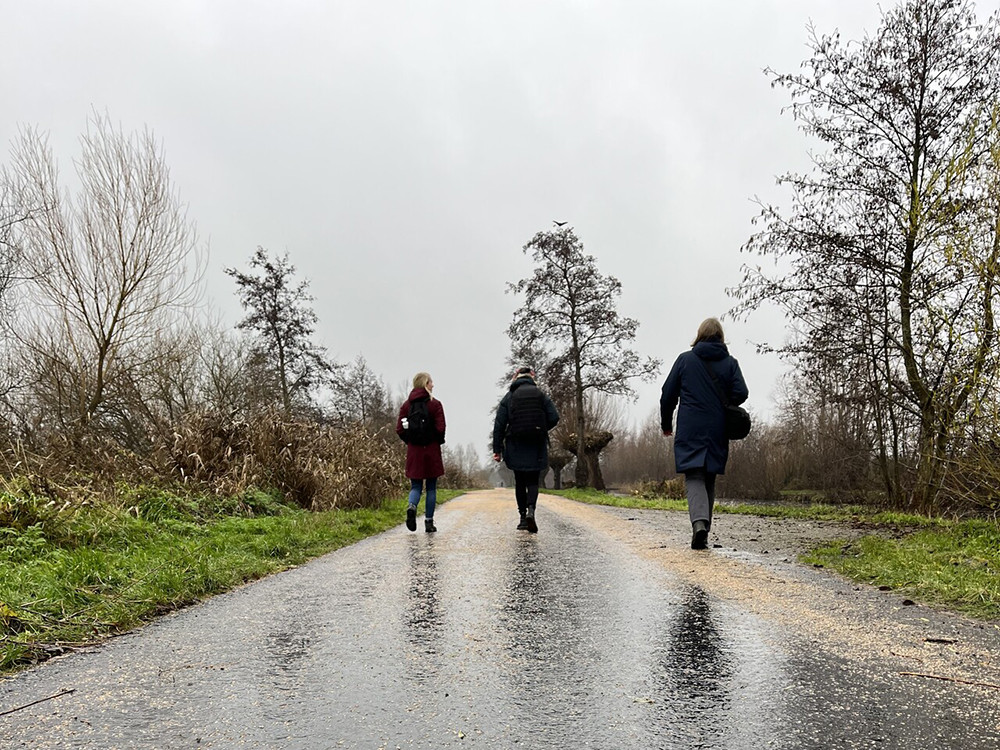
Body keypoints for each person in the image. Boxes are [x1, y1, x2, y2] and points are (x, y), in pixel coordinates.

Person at [660, 318, 749, 550]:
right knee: (708, 476)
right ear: (721, 337)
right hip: (717, 428)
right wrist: (723, 402)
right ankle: (704, 531)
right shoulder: (730, 363)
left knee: (694, 475)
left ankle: (699, 525)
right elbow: (741, 392)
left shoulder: (685, 360)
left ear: (699, 335)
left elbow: (667, 394)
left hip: (691, 427)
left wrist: (666, 423)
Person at [492, 366, 560, 533]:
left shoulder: (509, 397)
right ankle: (531, 510)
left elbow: (499, 425)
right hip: (536, 443)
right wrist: (541, 428)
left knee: (520, 481)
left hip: (516, 443)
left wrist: (497, 449)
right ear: (532, 376)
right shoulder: (540, 395)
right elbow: (554, 417)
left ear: (516, 377)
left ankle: (523, 518)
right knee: (533, 480)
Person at [396, 372, 446, 533]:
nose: (433, 385)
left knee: (416, 486)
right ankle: (429, 522)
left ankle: (412, 506)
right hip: (431, 450)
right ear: (425, 384)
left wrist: (410, 441)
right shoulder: (435, 404)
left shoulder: (406, 405)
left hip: (414, 451)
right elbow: (441, 428)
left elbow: (399, 429)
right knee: (431, 487)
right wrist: (435, 440)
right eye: (431, 382)